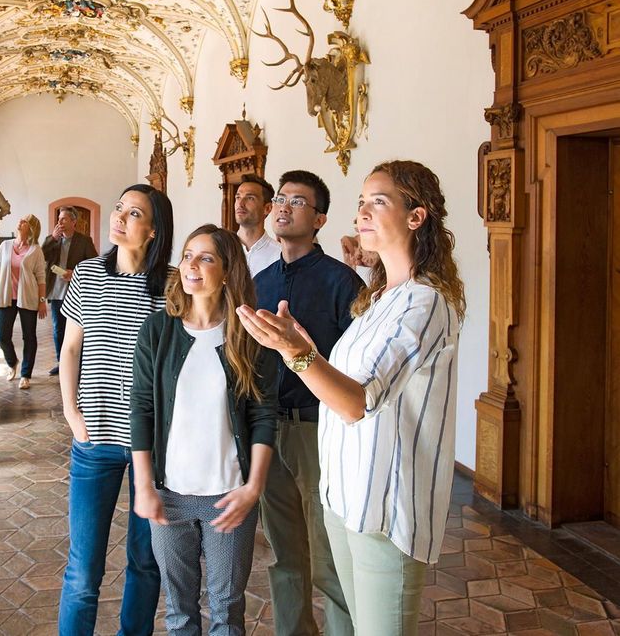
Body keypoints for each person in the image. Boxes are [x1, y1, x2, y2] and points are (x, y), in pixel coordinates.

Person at [238, 160, 465, 635]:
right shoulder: (380, 297)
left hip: (385, 501)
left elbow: (356, 401)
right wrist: (307, 347)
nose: (361, 211)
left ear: (416, 217)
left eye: (377, 201)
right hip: (345, 492)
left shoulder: (424, 302)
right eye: (361, 202)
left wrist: (295, 352)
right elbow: (345, 376)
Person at [130, 224, 278, 635]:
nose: (191, 265)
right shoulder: (158, 330)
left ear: (228, 270)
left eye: (206, 257)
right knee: (178, 610)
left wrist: (253, 489)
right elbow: (140, 409)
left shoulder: (250, 336)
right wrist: (144, 486)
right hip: (170, 493)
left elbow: (264, 416)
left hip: (228, 496)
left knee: (227, 610)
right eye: (188, 255)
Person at [58, 184, 174, 635]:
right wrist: (72, 413)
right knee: (83, 571)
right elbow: (70, 349)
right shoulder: (88, 274)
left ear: (153, 230)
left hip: (152, 445)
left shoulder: (171, 285)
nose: (120, 216)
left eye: (135, 212)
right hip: (95, 441)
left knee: (145, 563)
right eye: (120, 208)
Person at [252, 170, 362, 636]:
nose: (283, 206)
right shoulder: (258, 281)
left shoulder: (342, 282)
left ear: (319, 219)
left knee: (329, 553)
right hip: (268, 429)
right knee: (283, 553)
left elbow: (356, 366)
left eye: (297, 201)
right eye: (279, 198)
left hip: (320, 429)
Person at [0, 214, 47, 390]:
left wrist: (42, 301)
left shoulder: (36, 250)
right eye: (21, 220)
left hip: (28, 298)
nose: (20, 222)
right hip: (6, 297)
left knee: (29, 336)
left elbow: (41, 277)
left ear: (31, 228)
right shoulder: (5, 246)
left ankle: (26, 374)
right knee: (2, 336)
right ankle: (12, 362)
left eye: (24, 221)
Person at [42, 206, 97, 376]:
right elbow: (40, 257)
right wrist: (52, 238)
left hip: (77, 292)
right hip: (57, 293)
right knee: (59, 329)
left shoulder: (84, 241)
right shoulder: (51, 240)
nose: (60, 222)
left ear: (74, 222)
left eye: (64, 219)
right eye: (59, 219)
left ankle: (80, 364)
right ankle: (62, 362)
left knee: (79, 330)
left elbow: (94, 263)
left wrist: (74, 272)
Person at [234, 174, 280, 276]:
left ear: (267, 208)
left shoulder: (280, 256)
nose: (240, 204)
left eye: (250, 198)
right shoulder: (221, 249)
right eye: (238, 197)